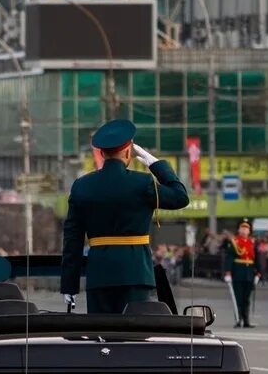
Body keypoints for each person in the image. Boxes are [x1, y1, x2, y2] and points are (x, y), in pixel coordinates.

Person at [60, 119, 190, 314]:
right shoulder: (143, 183)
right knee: (134, 338)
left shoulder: (82, 186)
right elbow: (181, 197)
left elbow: (72, 240)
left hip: (99, 276)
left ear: (102, 153)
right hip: (136, 274)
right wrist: (153, 162)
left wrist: (70, 285)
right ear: (129, 151)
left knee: (101, 337)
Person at [223, 219, 257, 328]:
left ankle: (246, 320)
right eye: (242, 228)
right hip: (238, 272)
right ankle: (238, 320)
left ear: (249, 231)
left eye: (246, 228)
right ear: (239, 230)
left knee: (246, 298)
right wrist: (228, 272)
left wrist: (258, 273)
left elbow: (256, 259)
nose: (244, 230)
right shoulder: (234, 242)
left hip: (249, 273)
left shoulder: (252, 242)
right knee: (238, 298)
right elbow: (229, 258)